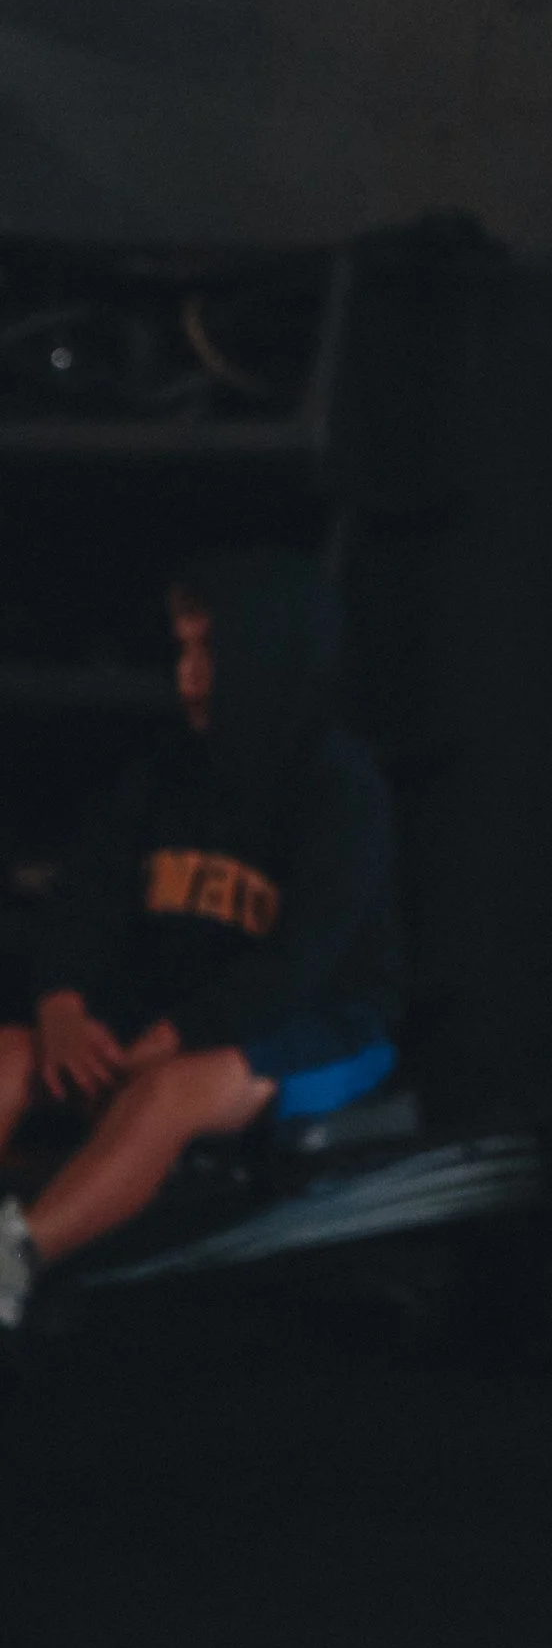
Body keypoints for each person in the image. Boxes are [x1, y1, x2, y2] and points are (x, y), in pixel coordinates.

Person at [0, 549, 403, 1330]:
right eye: (182, 651)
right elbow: (86, 901)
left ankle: (17, 1260)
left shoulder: (341, 792)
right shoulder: (162, 773)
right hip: (179, 1014)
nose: (188, 675)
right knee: (10, 1054)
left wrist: (172, 1038)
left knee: (166, 1093)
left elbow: (302, 963)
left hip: (324, 1025)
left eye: (209, 652)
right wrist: (61, 1004)